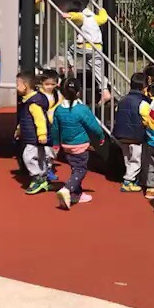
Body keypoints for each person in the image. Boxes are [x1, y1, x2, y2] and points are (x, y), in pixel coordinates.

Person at [51, 78, 104, 210]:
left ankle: (76, 194)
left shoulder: (58, 110)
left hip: (66, 145)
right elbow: (93, 125)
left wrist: (56, 143)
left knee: (75, 168)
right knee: (81, 170)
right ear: (78, 92)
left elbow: (55, 128)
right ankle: (67, 189)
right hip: (80, 145)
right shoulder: (82, 109)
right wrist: (101, 136)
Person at [62, 2, 112, 102]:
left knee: (68, 49)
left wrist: (66, 14)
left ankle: (71, 66)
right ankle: (105, 91)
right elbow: (103, 18)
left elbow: (76, 16)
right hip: (97, 47)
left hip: (85, 46)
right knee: (96, 69)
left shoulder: (82, 16)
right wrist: (101, 9)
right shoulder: (94, 18)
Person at [112, 73, 149, 193]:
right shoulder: (143, 103)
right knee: (136, 159)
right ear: (145, 87)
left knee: (127, 158)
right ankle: (128, 181)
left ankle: (131, 178)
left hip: (121, 134)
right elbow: (147, 119)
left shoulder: (122, 100)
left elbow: (117, 112)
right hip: (135, 136)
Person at [16, 71, 51, 195]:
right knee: (40, 156)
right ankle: (43, 176)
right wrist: (19, 130)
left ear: (25, 85)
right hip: (33, 136)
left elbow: (40, 119)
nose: (16, 87)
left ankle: (37, 177)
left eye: (17, 84)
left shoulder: (33, 103)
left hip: (34, 137)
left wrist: (42, 134)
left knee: (28, 156)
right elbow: (24, 119)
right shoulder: (27, 101)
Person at [40, 69, 62, 182]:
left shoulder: (58, 95)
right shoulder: (39, 95)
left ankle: (49, 167)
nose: (49, 87)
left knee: (54, 150)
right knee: (44, 150)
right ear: (41, 83)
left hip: (54, 127)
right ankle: (45, 170)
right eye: (47, 84)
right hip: (43, 126)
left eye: (52, 84)